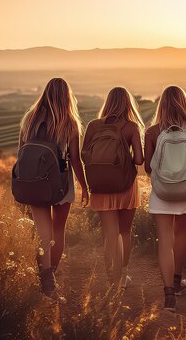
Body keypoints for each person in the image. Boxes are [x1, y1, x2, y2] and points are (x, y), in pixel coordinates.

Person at [18, 77, 89, 300]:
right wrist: (85, 187)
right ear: (67, 96)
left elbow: (21, 152)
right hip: (61, 183)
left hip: (33, 182)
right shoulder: (70, 122)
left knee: (43, 233)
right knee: (58, 232)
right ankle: (49, 281)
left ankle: (46, 281)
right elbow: (76, 159)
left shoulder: (29, 119)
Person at [144, 86, 186, 312]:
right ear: (184, 104)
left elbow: (148, 167)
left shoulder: (151, 132)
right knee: (180, 235)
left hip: (162, 193)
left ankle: (169, 294)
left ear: (161, 105)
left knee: (165, 241)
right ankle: (178, 283)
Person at [82, 87, 144, 288]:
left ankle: (111, 278)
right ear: (128, 104)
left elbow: (84, 155)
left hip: (100, 187)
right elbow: (139, 159)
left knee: (110, 234)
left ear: (107, 102)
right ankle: (122, 276)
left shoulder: (93, 126)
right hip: (125, 186)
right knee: (124, 232)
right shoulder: (131, 127)